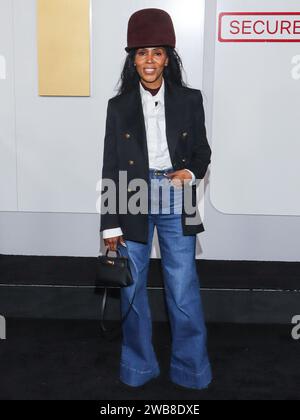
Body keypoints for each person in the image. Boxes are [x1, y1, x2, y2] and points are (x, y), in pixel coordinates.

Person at [100, 8, 212, 390]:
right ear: (133, 59)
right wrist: (109, 224)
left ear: (169, 57)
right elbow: (111, 164)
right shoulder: (118, 107)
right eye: (142, 52)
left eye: (157, 52)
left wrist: (191, 174)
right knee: (131, 291)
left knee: (182, 289)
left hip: (175, 194)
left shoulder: (190, 99)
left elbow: (202, 151)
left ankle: (191, 369)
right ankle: (138, 367)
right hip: (132, 194)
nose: (150, 60)